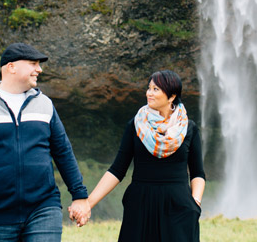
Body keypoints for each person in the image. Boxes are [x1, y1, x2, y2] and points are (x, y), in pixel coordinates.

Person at [0, 42, 92, 242]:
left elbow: (63, 153)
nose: (39, 69)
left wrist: (80, 196)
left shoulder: (45, 104)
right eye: (33, 63)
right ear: (11, 67)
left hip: (43, 208)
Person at [86, 70, 205, 241]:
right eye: (149, 88)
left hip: (179, 208)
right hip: (140, 205)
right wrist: (89, 203)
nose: (149, 93)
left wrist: (195, 204)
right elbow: (117, 170)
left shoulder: (189, 128)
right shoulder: (135, 125)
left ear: (171, 96)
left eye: (156, 89)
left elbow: (198, 173)